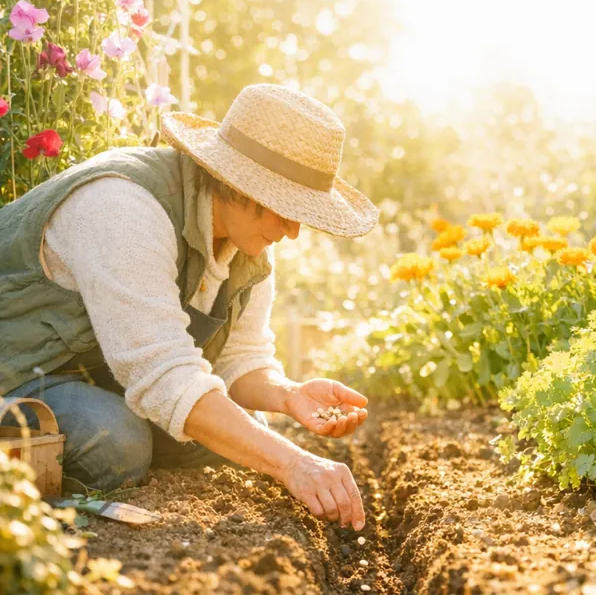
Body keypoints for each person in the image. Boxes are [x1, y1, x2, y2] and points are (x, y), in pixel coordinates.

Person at [0, 83, 379, 531]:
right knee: (115, 441)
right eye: (285, 208)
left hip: (98, 378)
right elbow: (163, 376)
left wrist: (286, 393)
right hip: (20, 372)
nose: (293, 230)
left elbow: (241, 358)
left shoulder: (248, 242)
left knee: (239, 433)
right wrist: (293, 463)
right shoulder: (123, 207)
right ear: (238, 184)